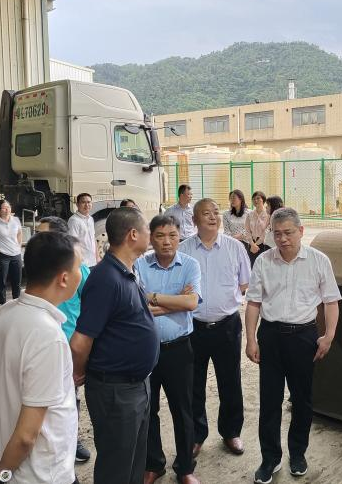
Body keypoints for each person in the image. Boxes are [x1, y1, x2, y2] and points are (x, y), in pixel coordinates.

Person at [245, 208, 341, 484]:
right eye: (277, 234)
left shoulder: (318, 261)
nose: (283, 239)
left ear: (300, 231)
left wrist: (329, 336)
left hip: (303, 337)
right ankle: (270, 458)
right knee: (270, 400)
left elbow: (331, 301)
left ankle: (297, 453)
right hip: (271, 336)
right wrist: (251, 339)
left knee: (302, 399)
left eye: (288, 233)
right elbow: (253, 302)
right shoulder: (264, 261)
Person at [0, 231, 82, 484]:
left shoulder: (4, 314)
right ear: (64, 278)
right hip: (43, 475)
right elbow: (27, 436)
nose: (82, 273)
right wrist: (2, 475)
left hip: (7, 460)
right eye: (79, 267)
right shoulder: (48, 336)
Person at [69, 207, 159, 484]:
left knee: (134, 462)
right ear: (133, 234)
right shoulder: (106, 278)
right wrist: (79, 372)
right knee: (116, 467)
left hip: (137, 385)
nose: (150, 234)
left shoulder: (127, 271)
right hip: (116, 391)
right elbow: (80, 342)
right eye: (147, 229)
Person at [180, 198, 251, 459]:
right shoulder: (184, 249)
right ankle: (197, 435)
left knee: (230, 381)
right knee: (193, 383)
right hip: (193, 326)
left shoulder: (235, 247)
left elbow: (245, 284)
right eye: (205, 213)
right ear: (194, 220)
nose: (212, 217)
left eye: (214, 213)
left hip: (227, 326)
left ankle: (231, 432)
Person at [135, 215, 203, 484]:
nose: (167, 241)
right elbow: (136, 306)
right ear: (150, 238)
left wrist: (152, 298)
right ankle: (154, 464)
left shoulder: (190, 265)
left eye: (173, 235)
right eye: (160, 236)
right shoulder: (139, 264)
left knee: (182, 409)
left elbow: (191, 303)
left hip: (179, 350)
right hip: (146, 350)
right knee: (148, 410)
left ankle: (185, 467)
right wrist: (176, 302)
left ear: (179, 237)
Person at [36, 216, 91, 465]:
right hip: (43, 342)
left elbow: (92, 306)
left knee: (69, 397)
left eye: (42, 235)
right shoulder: (39, 270)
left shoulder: (80, 272)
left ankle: (72, 440)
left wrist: (82, 350)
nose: (37, 240)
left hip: (68, 344)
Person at [68, 193, 98, 267]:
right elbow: (72, 244)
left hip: (93, 262)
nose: (87, 205)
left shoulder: (91, 219)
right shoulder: (74, 220)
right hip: (83, 264)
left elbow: (93, 238)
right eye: (83, 202)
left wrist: (97, 257)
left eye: (89, 202)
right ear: (77, 204)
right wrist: (78, 263)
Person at [245, 191, 270, 267]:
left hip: (264, 243)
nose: (256, 200)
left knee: (263, 266)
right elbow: (247, 230)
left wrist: (256, 244)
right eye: (254, 199)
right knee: (252, 265)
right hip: (251, 242)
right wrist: (252, 244)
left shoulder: (268, 214)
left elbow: (267, 231)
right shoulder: (250, 214)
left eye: (258, 198)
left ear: (263, 200)